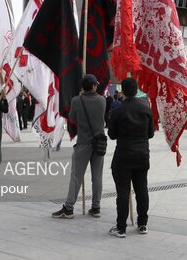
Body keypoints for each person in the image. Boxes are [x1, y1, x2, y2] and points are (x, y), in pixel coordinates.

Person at [52, 74, 106, 220]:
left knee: (76, 176)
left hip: (83, 143)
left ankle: (69, 208)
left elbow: (72, 118)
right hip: (99, 144)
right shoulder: (102, 100)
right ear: (94, 86)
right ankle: (96, 206)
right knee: (97, 177)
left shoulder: (76, 100)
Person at [107, 77, 154, 238]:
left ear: (122, 91)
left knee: (122, 192)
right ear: (136, 89)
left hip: (123, 156)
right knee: (142, 190)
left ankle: (121, 227)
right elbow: (151, 133)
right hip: (142, 155)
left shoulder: (118, 110)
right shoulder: (146, 107)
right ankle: (143, 224)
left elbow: (112, 135)